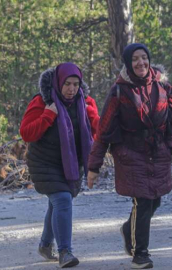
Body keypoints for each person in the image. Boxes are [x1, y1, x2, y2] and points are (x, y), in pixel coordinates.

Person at [88, 43, 172, 269]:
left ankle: (128, 229)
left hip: (159, 153)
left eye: (144, 57)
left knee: (155, 200)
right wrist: (93, 167)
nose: (140, 63)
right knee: (144, 201)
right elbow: (103, 130)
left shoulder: (164, 87)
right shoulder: (119, 91)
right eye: (135, 59)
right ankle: (140, 253)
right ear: (128, 63)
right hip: (131, 154)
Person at [20, 63, 99, 268]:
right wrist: (48, 115)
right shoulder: (41, 101)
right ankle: (65, 252)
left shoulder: (86, 102)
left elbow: (98, 131)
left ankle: (45, 244)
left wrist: (94, 120)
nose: (72, 89)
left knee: (56, 203)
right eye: (67, 84)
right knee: (62, 199)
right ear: (58, 82)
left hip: (72, 162)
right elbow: (27, 133)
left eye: (76, 84)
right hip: (44, 162)